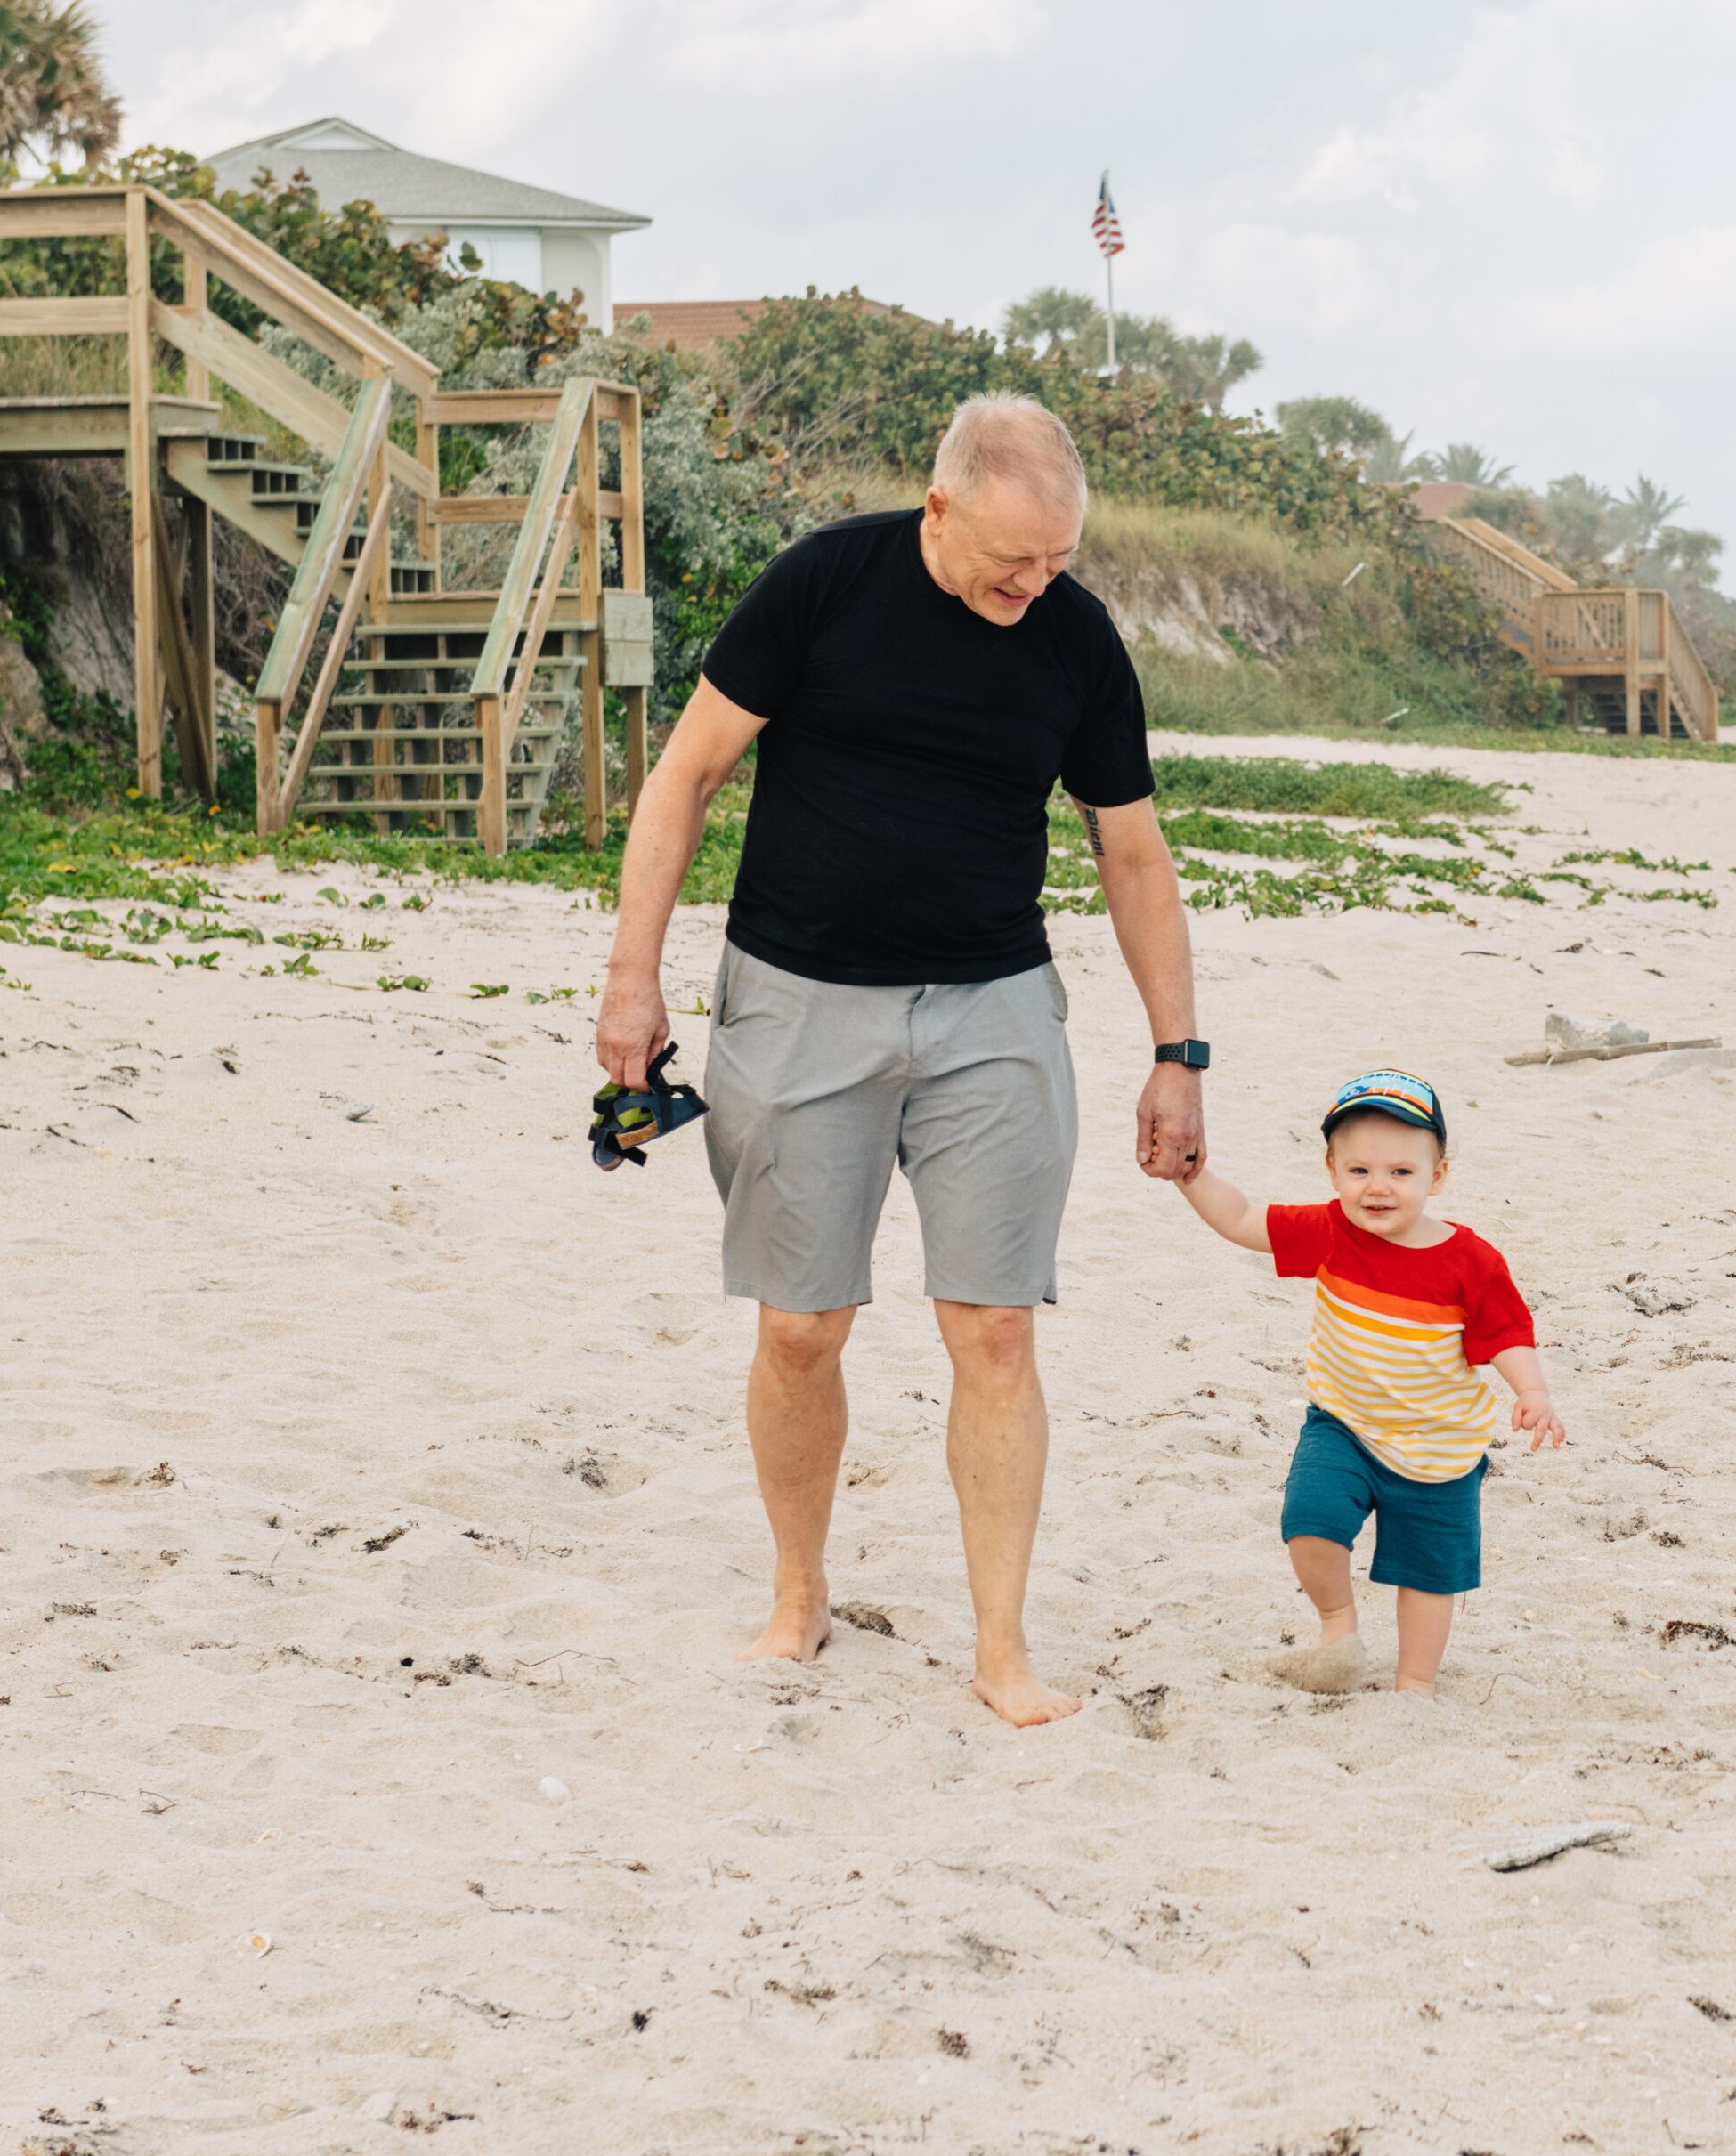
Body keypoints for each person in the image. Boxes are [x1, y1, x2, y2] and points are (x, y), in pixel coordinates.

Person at [595, 393, 1210, 1726]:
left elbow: (1132, 850)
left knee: (994, 1328)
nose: (1035, 585)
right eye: (1013, 560)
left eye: (1058, 562)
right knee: (802, 1325)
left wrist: (1178, 1051)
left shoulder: (1076, 637)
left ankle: (1001, 1647)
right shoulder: (823, 584)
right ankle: (798, 1593)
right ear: (939, 507)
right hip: (800, 1000)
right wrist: (632, 982)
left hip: (992, 1009)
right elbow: (687, 775)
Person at [1171, 1070, 1565, 1694]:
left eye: (1401, 1173)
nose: (1378, 1188)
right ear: (1332, 1172)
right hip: (1344, 1426)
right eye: (1359, 1172)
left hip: (1440, 1450)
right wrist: (1190, 1176)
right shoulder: (1331, 1232)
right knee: (1309, 1521)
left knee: (1430, 1576)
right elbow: (1243, 1219)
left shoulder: (1472, 1262)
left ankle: (1415, 1684)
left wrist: (1533, 1393)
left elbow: (1507, 1334)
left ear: (1437, 1177)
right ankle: (1338, 1629)